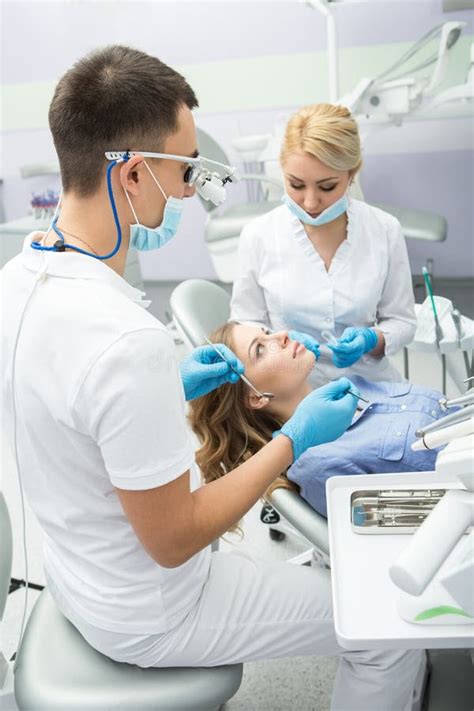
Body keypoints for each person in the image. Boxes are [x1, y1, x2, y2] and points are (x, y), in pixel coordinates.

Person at [1, 46, 423, 710]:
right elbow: (174, 538)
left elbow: (73, 411)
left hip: (80, 572)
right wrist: (295, 439)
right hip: (154, 604)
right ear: (133, 175)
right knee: (387, 623)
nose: (193, 191)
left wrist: (168, 388)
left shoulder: (19, 279)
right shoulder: (123, 336)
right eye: (187, 170)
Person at [230, 103, 417, 387]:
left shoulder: (384, 230)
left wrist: (371, 340)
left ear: (352, 173)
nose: (310, 202)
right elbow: (243, 326)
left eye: (327, 186)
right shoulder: (259, 235)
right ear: (282, 171)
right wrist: (276, 342)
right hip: (290, 391)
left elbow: (402, 322)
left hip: (371, 383)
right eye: (295, 185)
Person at [189, 322, 444, 519]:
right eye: (260, 349)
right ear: (256, 397)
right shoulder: (318, 468)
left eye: (267, 332)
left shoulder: (350, 385)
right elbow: (416, 526)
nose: (283, 335)